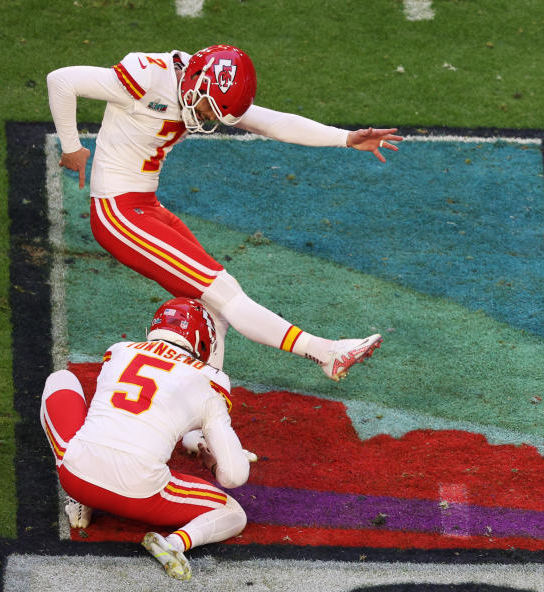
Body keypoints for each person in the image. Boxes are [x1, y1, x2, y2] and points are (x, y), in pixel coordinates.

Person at [47, 44, 401, 379]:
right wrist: (73, 146)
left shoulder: (211, 87)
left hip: (146, 207)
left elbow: (272, 122)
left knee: (214, 304)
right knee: (224, 290)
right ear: (193, 81)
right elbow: (61, 80)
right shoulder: (147, 77)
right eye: (204, 109)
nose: (204, 118)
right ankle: (324, 352)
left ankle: (202, 405)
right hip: (118, 214)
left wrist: (344, 137)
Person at [40, 298, 256, 580]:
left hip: (77, 477)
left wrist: (193, 440)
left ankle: (81, 502)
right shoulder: (210, 380)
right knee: (233, 513)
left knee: (60, 379)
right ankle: (175, 543)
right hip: (141, 493)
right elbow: (235, 475)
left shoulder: (119, 351)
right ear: (203, 342)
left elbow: (141, 412)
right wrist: (214, 464)